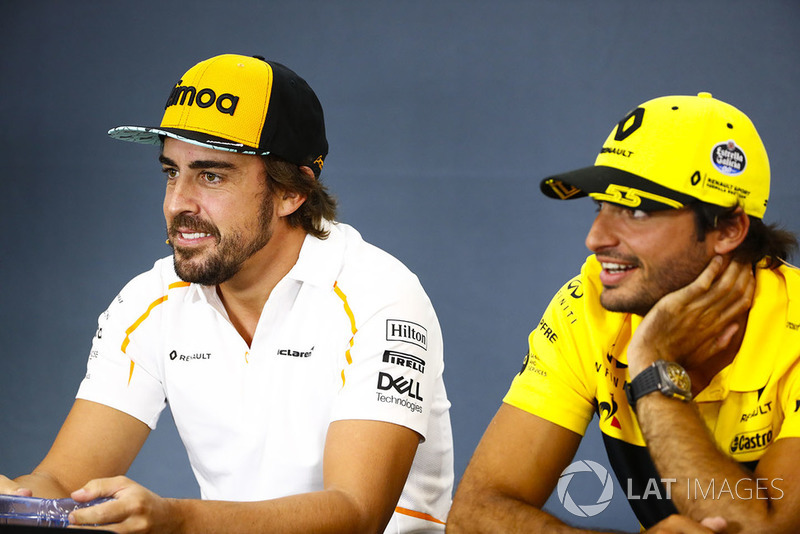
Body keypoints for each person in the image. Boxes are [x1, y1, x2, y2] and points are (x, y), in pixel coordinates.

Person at [0, 54, 454, 533]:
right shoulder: (147, 302)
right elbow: (63, 482)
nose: (177, 203)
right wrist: (16, 502)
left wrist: (176, 521)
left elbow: (357, 513)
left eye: (211, 175)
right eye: (171, 171)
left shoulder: (379, 295)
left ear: (292, 192)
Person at [448, 93, 800, 533]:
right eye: (601, 206)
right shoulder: (587, 303)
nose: (595, 238)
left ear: (727, 229)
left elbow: (768, 531)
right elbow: (473, 516)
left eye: (635, 210)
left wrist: (654, 367)